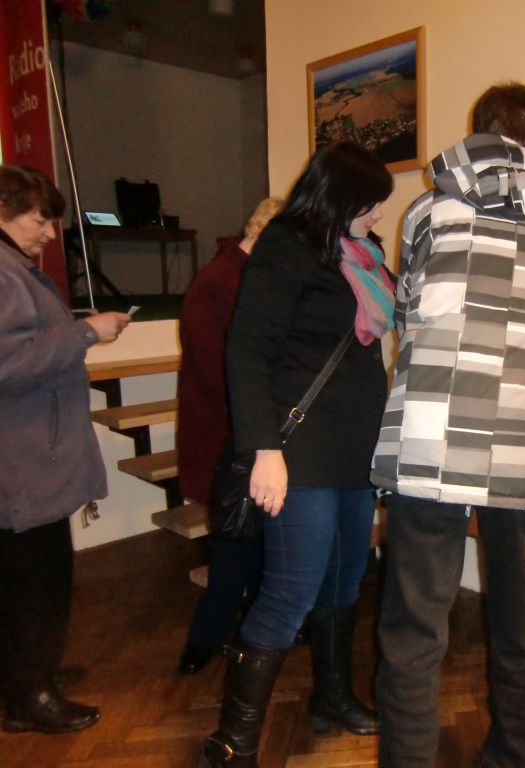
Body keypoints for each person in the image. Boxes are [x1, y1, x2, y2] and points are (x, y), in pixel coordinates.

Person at [371, 82, 525, 768]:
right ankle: (510, 757)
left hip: (431, 437)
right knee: (519, 614)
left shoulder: (427, 211)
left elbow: (407, 311)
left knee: (415, 623)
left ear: (478, 134)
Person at [197, 141, 394, 768]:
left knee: (344, 581)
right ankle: (232, 743)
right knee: (290, 591)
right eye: (372, 204)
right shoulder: (287, 245)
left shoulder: (363, 255)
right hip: (297, 450)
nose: (380, 216)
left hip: (355, 447)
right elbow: (246, 351)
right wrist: (265, 449)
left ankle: (330, 699)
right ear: (341, 197)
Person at [0, 164, 131, 733]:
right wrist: (84, 333)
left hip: (24, 454)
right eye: (40, 219)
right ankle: (30, 697)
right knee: (37, 582)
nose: (50, 234)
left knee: (25, 580)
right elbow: (8, 364)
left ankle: (26, 678)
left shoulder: (12, 269)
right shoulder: (4, 273)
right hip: (23, 459)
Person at [176, 197, 283, 675]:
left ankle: (249, 637)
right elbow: (221, 372)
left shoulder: (247, 277)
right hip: (226, 438)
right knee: (234, 548)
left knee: (253, 543)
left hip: (246, 435)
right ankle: (205, 640)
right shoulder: (217, 282)